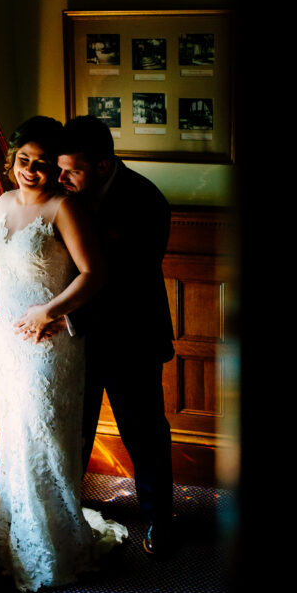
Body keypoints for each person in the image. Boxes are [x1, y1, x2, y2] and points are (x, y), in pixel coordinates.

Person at [0, 116, 127, 592]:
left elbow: (93, 274)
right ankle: (19, 538)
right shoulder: (0, 202)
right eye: (23, 160)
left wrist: (48, 311)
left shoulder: (65, 209)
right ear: (12, 158)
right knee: (17, 438)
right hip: (9, 346)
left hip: (49, 345)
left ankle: (58, 542)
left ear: (54, 167)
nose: (30, 171)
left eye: (41, 164)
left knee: (47, 439)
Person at [56, 115, 176, 555]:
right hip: (74, 340)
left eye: (73, 170)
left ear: (103, 165)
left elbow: (126, 279)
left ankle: (160, 519)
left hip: (132, 339)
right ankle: (65, 515)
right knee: (75, 430)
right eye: (60, 168)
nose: (62, 178)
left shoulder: (147, 200)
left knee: (143, 433)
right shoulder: (62, 194)